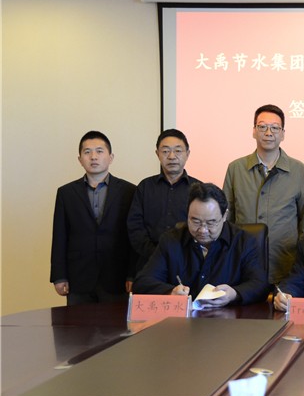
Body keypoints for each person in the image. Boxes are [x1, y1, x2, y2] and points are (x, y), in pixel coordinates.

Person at [133, 183, 270, 307]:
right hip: (182, 321)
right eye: (196, 221)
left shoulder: (244, 241)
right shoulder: (171, 241)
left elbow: (260, 285)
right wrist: (170, 292)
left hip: (228, 321)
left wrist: (234, 294)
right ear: (187, 214)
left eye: (211, 223)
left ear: (224, 216)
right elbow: (142, 282)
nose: (203, 230)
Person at [223, 104, 304, 285]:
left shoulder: (300, 171)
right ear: (253, 131)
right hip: (243, 266)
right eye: (262, 127)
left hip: (286, 266)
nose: (268, 133)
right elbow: (226, 219)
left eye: (275, 128)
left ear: (283, 134)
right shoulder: (235, 169)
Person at [50, 131, 136, 305]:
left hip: (117, 277)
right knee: (77, 323)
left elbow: (133, 236)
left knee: (116, 323)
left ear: (111, 157)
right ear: (80, 159)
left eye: (99, 151)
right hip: (78, 277)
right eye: (87, 152)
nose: (93, 157)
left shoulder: (129, 191)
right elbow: (59, 236)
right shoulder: (66, 193)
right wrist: (59, 276)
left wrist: (132, 274)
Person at [128, 129, 201, 274]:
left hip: (188, 263)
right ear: (157, 154)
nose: (172, 156)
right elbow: (135, 227)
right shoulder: (145, 187)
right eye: (166, 151)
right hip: (149, 263)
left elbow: (204, 228)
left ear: (187, 154)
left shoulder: (199, 189)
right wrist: (156, 253)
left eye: (178, 151)